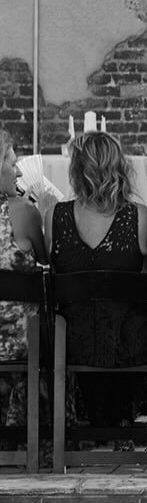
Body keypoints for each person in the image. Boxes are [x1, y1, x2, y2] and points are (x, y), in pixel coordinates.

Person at [44, 131, 147, 432]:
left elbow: (53, 275)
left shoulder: (55, 215)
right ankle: (127, 418)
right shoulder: (139, 216)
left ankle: (94, 423)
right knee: (139, 319)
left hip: (71, 344)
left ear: (76, 169)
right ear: (119, 168)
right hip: (131, 344)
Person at [0, 129, 45, 429]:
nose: (17, 170)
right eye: (12, 163)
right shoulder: (22, 212)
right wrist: (38, 210)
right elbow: (47, 261)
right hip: (17, 345)